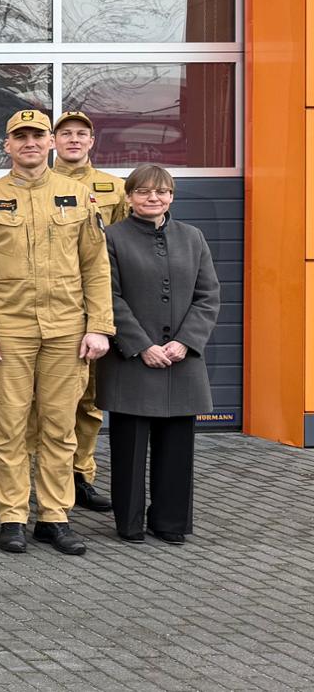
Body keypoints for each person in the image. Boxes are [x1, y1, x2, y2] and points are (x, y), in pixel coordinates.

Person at [0, 109, 114, 556]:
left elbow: (96, 266)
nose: (29, 142)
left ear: (50, 142)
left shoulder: (78, 196)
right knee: (9, 428)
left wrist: (100, 326)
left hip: (67, 330)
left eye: (37, 135)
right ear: (6, 145)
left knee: (60, 428)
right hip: (8, 332)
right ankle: (11, 516)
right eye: (19, 136)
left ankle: (54, 516)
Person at [99, 164, 220, 544]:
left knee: (177, 450)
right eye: (144, 191)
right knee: (129, 450)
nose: (153, 198)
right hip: (132, 361)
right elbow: (109, 298)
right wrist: (141, 346)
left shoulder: (193, 237)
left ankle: (169, 523)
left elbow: (208, 296)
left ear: (172, 196)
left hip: (182, 361)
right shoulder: (113, 238)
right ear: (129, 196)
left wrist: (185, 341)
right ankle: (130, 524)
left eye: (162, 191)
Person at [53, 110, 129, 514]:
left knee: (88, 401)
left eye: (81, 134)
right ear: (53, 141)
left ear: (92, 140)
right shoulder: (40, 184)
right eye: (66, 134)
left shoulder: (113, 189)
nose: (74, 140)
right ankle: (38, 478)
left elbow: (120, 253)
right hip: (50, 310)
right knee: (39, 403)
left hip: (93, 309)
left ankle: (81, 475)